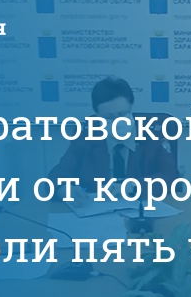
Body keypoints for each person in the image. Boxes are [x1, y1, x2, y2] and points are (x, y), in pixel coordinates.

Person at [48, 77, 178, 204]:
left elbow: (169, 176)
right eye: (109, 117)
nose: (117, 121)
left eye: (122, 114)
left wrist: (133, 187)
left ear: (131, 106)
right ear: (97, 115)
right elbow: (57, 176)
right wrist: (63, 189)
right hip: (98, 212)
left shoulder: (153, 134)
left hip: (142, 210)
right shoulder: (85, 135)